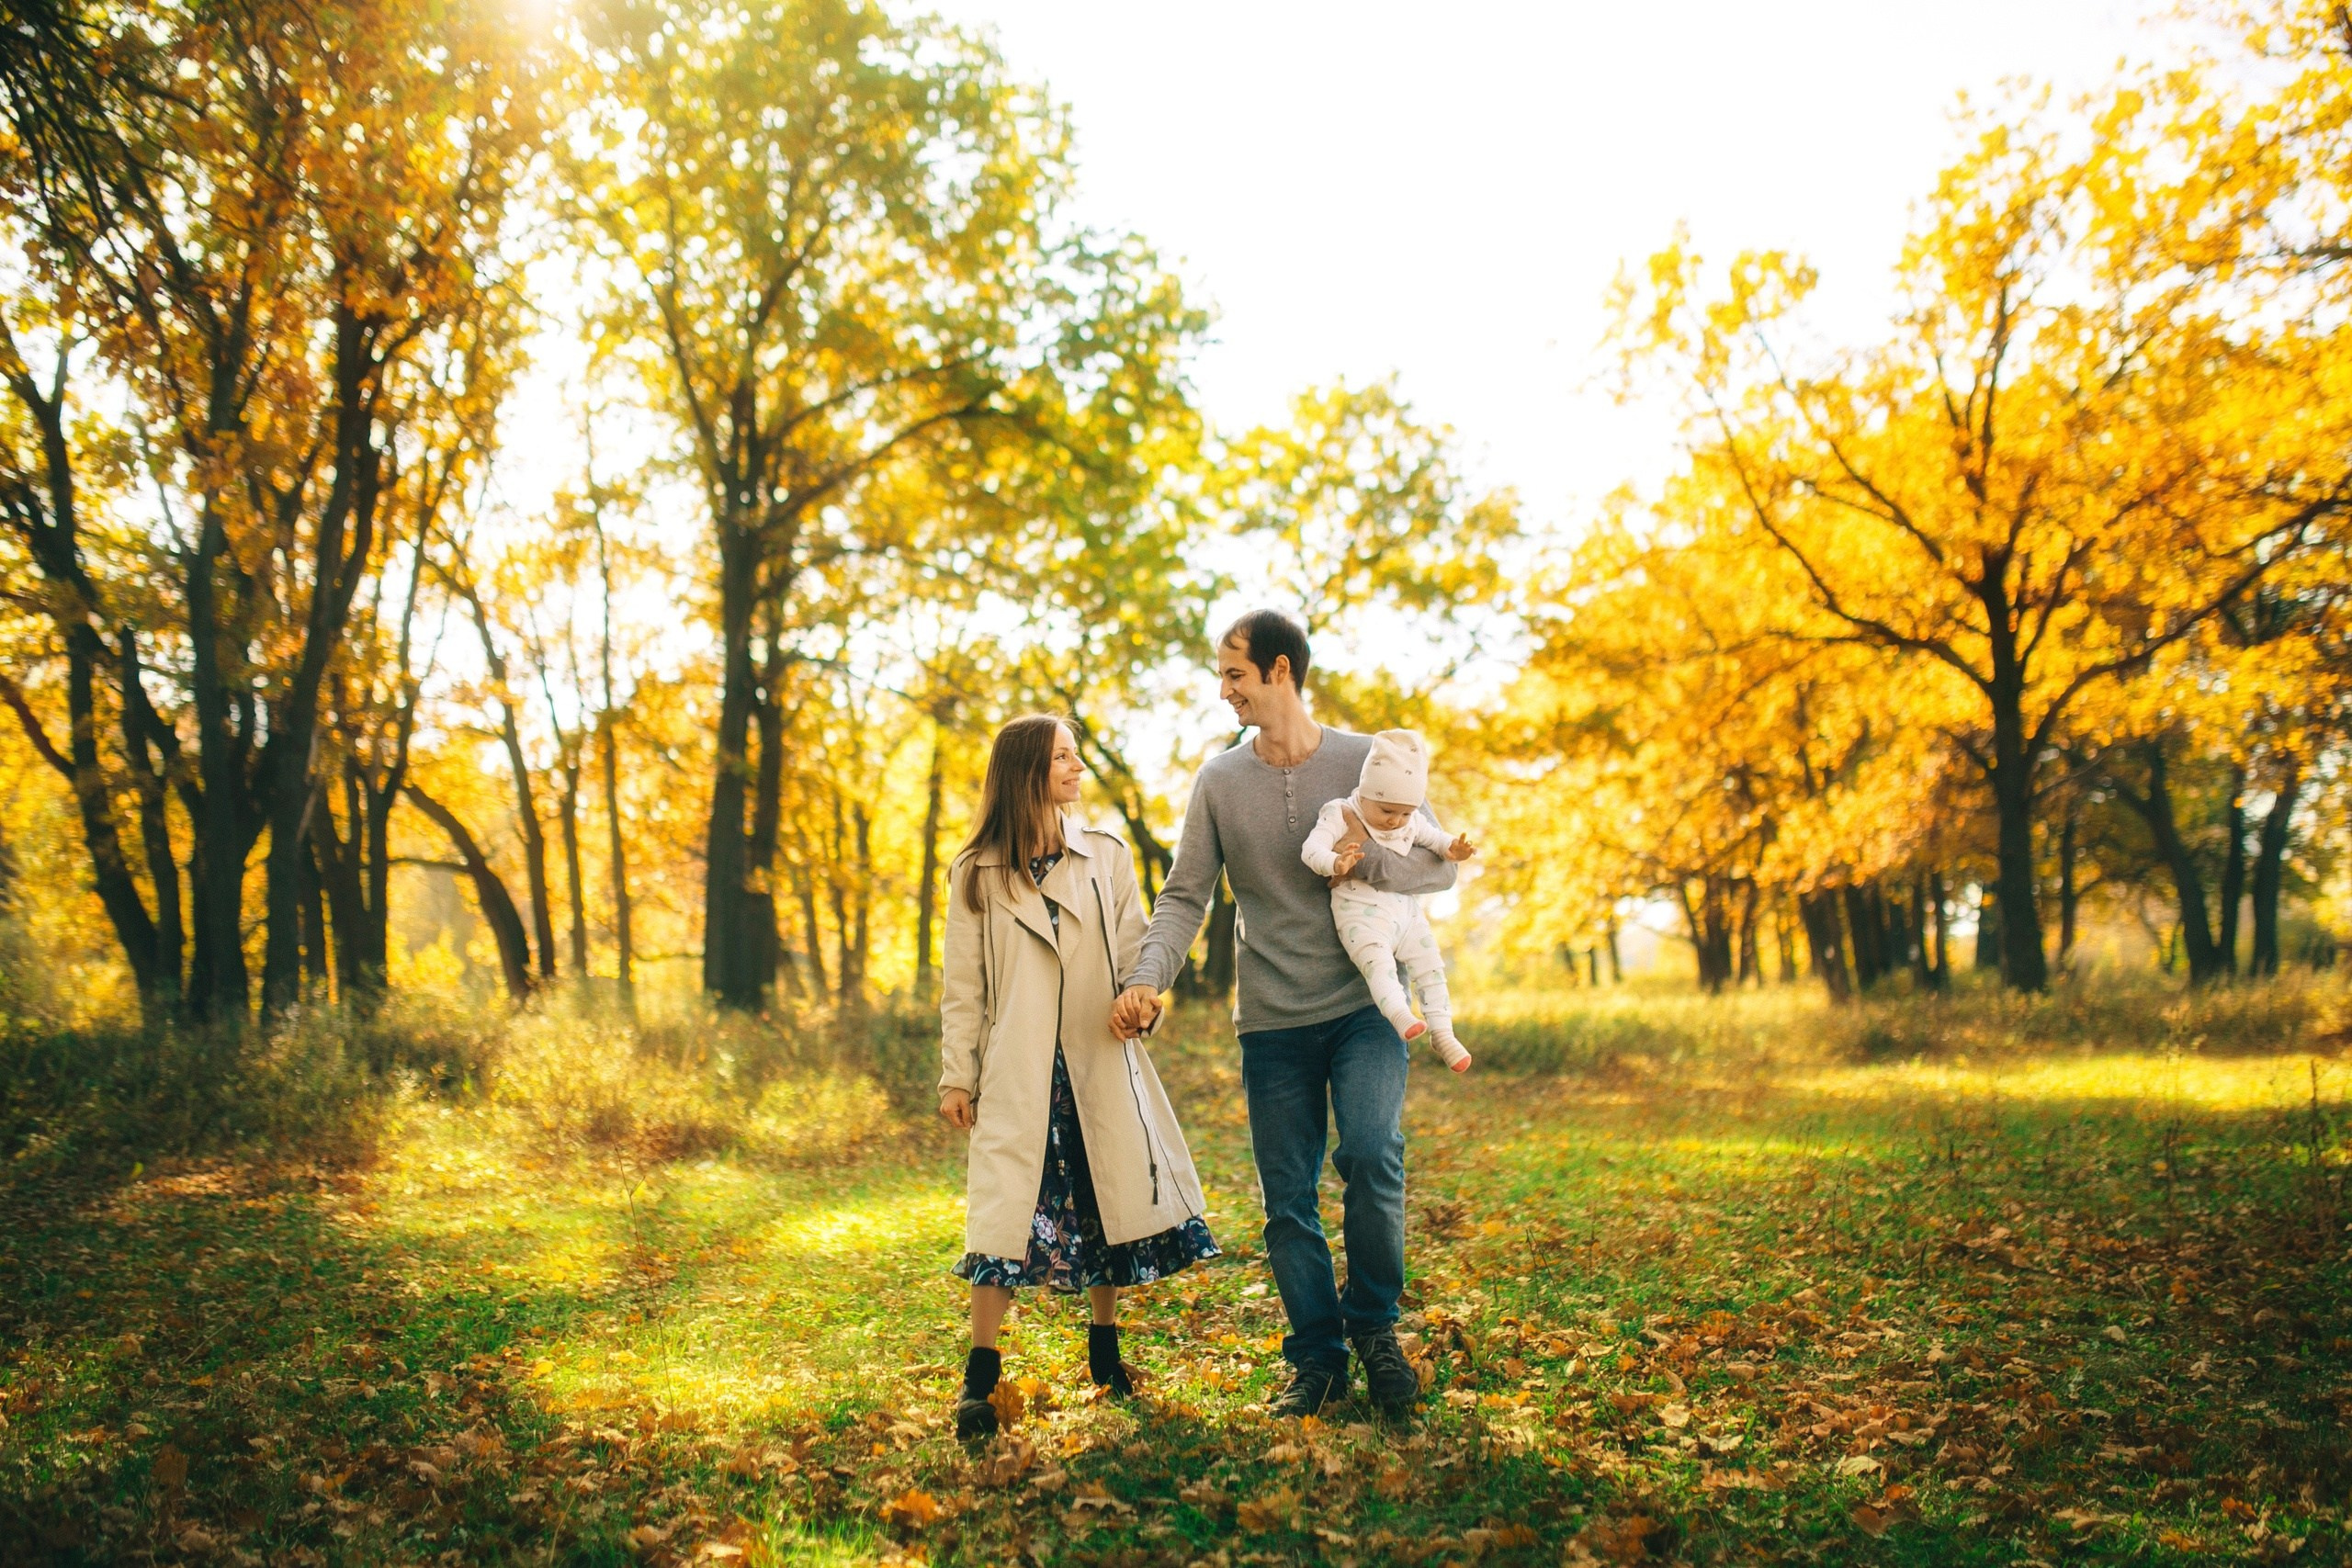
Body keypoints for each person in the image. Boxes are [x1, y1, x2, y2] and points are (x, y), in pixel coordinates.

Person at [1111, 611, 1458, 1418]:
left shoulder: (1368, 760)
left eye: (1233, 675)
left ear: (1279, 671)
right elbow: (1185, 895)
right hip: (1271, 1018)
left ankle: (1374, 1329)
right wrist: (1147, 979)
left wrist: (1359, 859)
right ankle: (1318, 1359)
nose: (1223, 690)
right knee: (1287, 1199)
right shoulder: (1219, 781)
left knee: (1372, 1153)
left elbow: (1434, 871)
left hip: (1364, 1004)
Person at [939, 714, 1219, 1441]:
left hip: (1096, 1056)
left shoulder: (1106, 858)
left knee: (1107, 1200)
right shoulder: (975, 872)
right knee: (1001, 1210)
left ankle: (1105, 1350)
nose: (1076, 767)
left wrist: (1142, 1002)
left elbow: (1136, 953)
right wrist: (956, 1076)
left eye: (1075, 755)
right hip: (1018, 1068)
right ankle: (979, 1375)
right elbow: (963, 987)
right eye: (1062, 756)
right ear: (1029, 770)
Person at [1299, 728, 1476, 1071]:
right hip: (1358, 911)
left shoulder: (1410, 821)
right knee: (1377, 963)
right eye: (1387, 811)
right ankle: (1398, 1013)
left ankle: (1442, 1030)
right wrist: (1335, 862)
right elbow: (1311, 849)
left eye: (1405, 814)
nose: (1396, 821)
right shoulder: (1339, 812)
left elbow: (1435, 840)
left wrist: (1453, 848)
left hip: (1404, 911)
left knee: (1431, 965)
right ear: (1366, 793)